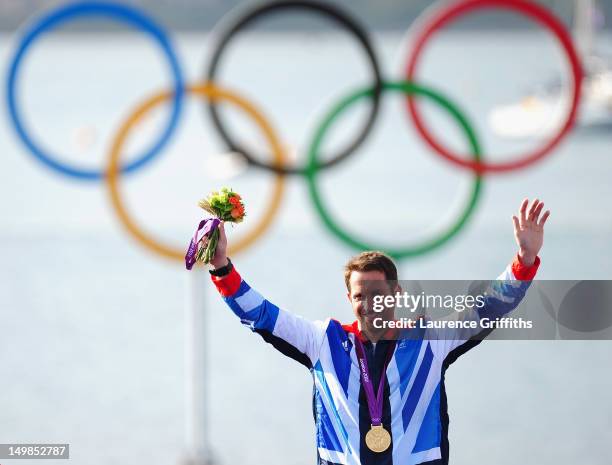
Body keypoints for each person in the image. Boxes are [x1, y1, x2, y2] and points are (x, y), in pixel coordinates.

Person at [207, 198, 549, 465]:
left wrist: (524, 259)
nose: (370, 304)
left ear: (396, 293)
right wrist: (222, 267)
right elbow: (262, 316)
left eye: (378, 294)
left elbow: (489, 307)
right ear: (349, 298)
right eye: (360, 296)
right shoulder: (322, 341)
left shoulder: (430, 341)